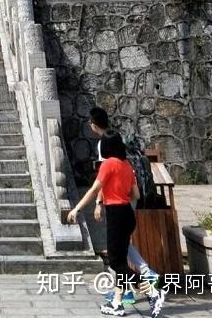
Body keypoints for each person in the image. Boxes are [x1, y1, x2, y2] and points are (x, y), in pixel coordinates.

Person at [68, 133, 166, 318]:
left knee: (115, 262)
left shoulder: (108, 164)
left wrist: (77, 209)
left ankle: (152, 290)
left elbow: (94, 189)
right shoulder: (127, 165)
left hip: (116, 216)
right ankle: (117, 303)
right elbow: (135, 195)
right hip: (128, 214)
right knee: (120, 261)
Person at [88, 107, 161, 302]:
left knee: (117, 249)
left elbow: (105, 178)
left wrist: (98, 202)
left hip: (118, 201)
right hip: (129, 196)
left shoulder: (104, 145)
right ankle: (131, 286)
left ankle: (140, 280)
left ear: (94, 125)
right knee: (122, 245)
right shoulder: (116, 137)